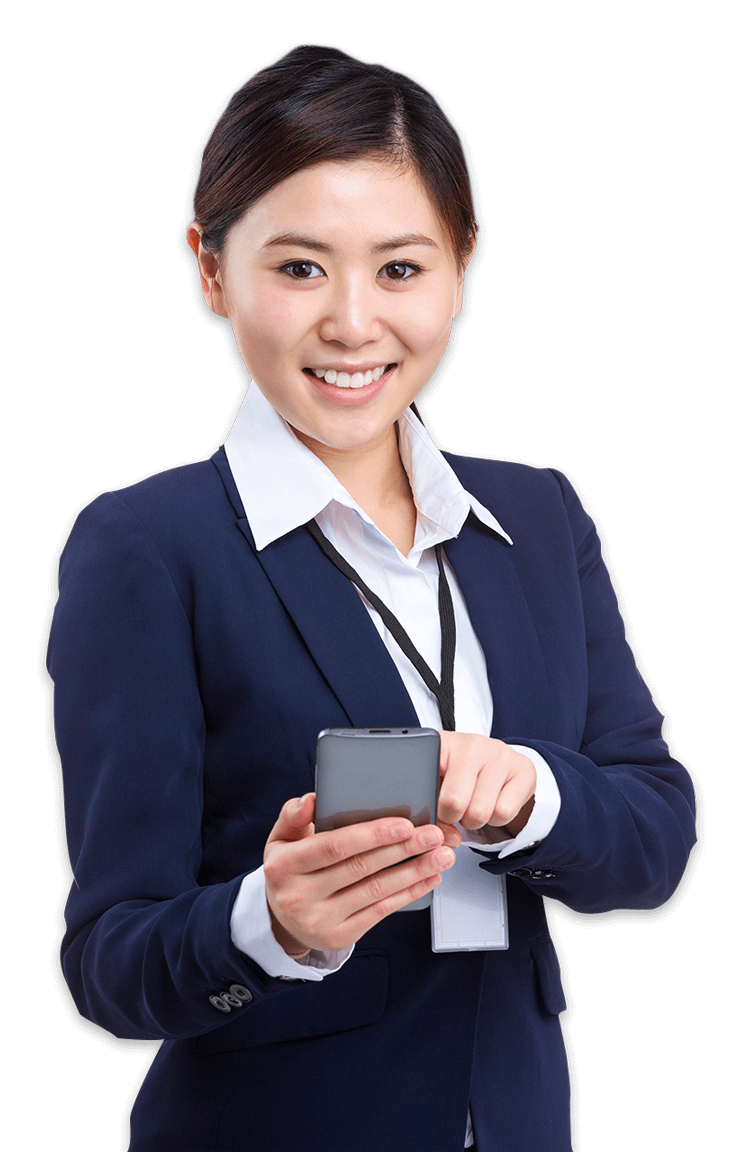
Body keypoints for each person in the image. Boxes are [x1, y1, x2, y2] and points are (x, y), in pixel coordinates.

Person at [47, 45, 696, 1152]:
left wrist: (532, 795)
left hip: (523, 1120)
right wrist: (271, 923)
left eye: (400, 268)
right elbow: (112, 963)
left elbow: (654, 836)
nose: (353, 324)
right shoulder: (146, 546)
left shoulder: (538, 515)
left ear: (463, 264)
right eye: (300, 267)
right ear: (211, 270)